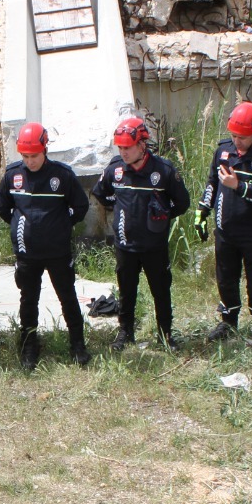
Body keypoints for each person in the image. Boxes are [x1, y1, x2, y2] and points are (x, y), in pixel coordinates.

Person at [0, 123, 91, 369]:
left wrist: (60, 225)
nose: (30, 161)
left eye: (34, 156)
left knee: (67, 296)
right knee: (28, 299)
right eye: (25, 156)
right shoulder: (13, 175)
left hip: (58, 251)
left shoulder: (62, 175)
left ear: (44, 149)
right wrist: (20, 227)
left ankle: (77, 344)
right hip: (27, 253)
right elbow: (2, 208)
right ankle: (29, 345)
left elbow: (80, 207)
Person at [94, 116, 193, 351]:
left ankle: (165, 334)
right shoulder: (115, 170)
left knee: (161, 290)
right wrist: (117, 205)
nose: (124, 152)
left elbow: (182, 203)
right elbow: (100, 193)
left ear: (142, 145)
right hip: (125, 246)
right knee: (126, 291)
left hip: (154, 247)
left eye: (127, 147)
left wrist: (162, 216)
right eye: (120, 147)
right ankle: (125, 333)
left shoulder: (163, 170)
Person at [197, 101, 252, 346]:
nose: (238, 142)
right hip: (225, 229)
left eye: (242, 137)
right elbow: (212, 183)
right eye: (234, 136)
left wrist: (239, 186)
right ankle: (228, 320)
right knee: (225, 277)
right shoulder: (223, 151)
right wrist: (202, 210)